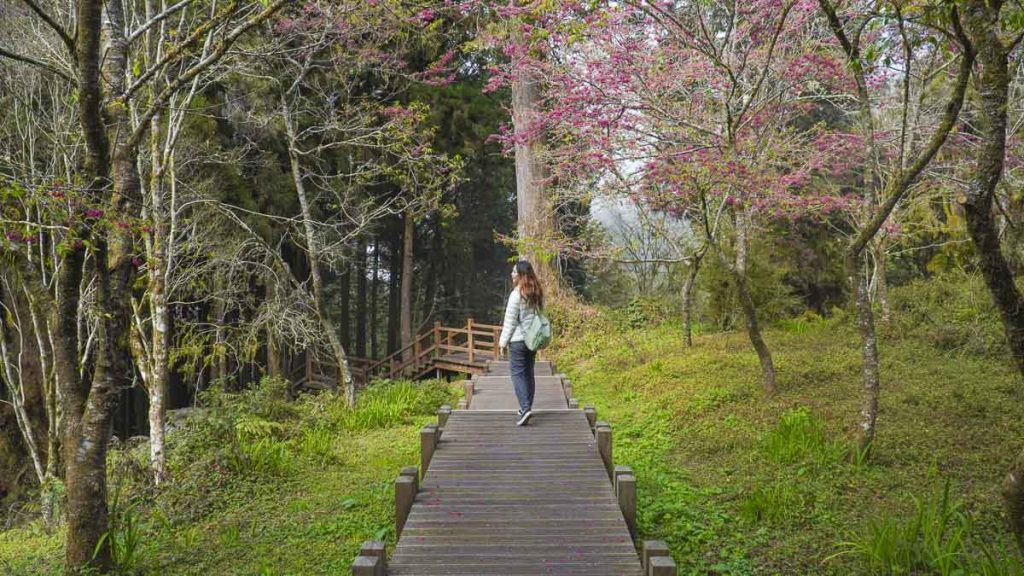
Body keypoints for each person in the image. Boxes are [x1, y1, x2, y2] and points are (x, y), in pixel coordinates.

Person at [499, 260, 544, 426]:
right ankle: (526, 407)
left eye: (514, 272)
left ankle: (525, 408)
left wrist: (502, 343)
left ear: (520, 275)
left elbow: (510, 322)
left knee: (517, 374)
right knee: (528, 373)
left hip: (518, 341)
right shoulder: (535, 292)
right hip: (532, 340)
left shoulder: (516, 294)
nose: (511, 274)